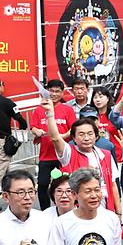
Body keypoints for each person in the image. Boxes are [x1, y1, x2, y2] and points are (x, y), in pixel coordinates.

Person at [29, 80, 78, 208]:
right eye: (51, 90)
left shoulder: (68, 109)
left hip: (63, 155)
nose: (54, 94)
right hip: (46, 155)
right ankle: (45, 210)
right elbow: (33, 127)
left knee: (65, 185)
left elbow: (73, 129)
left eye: (57, 91)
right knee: (43, 184)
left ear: (62, 93)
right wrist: (37, 131)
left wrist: (60, 137)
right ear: (47, 91)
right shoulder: (39, 110)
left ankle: (65, 208)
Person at [0, 80, 28, 182]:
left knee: (5, 167)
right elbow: (21, 120)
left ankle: (7, 189)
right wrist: (23, 126)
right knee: (2, 165)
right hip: (2, 140)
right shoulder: (7, 102)